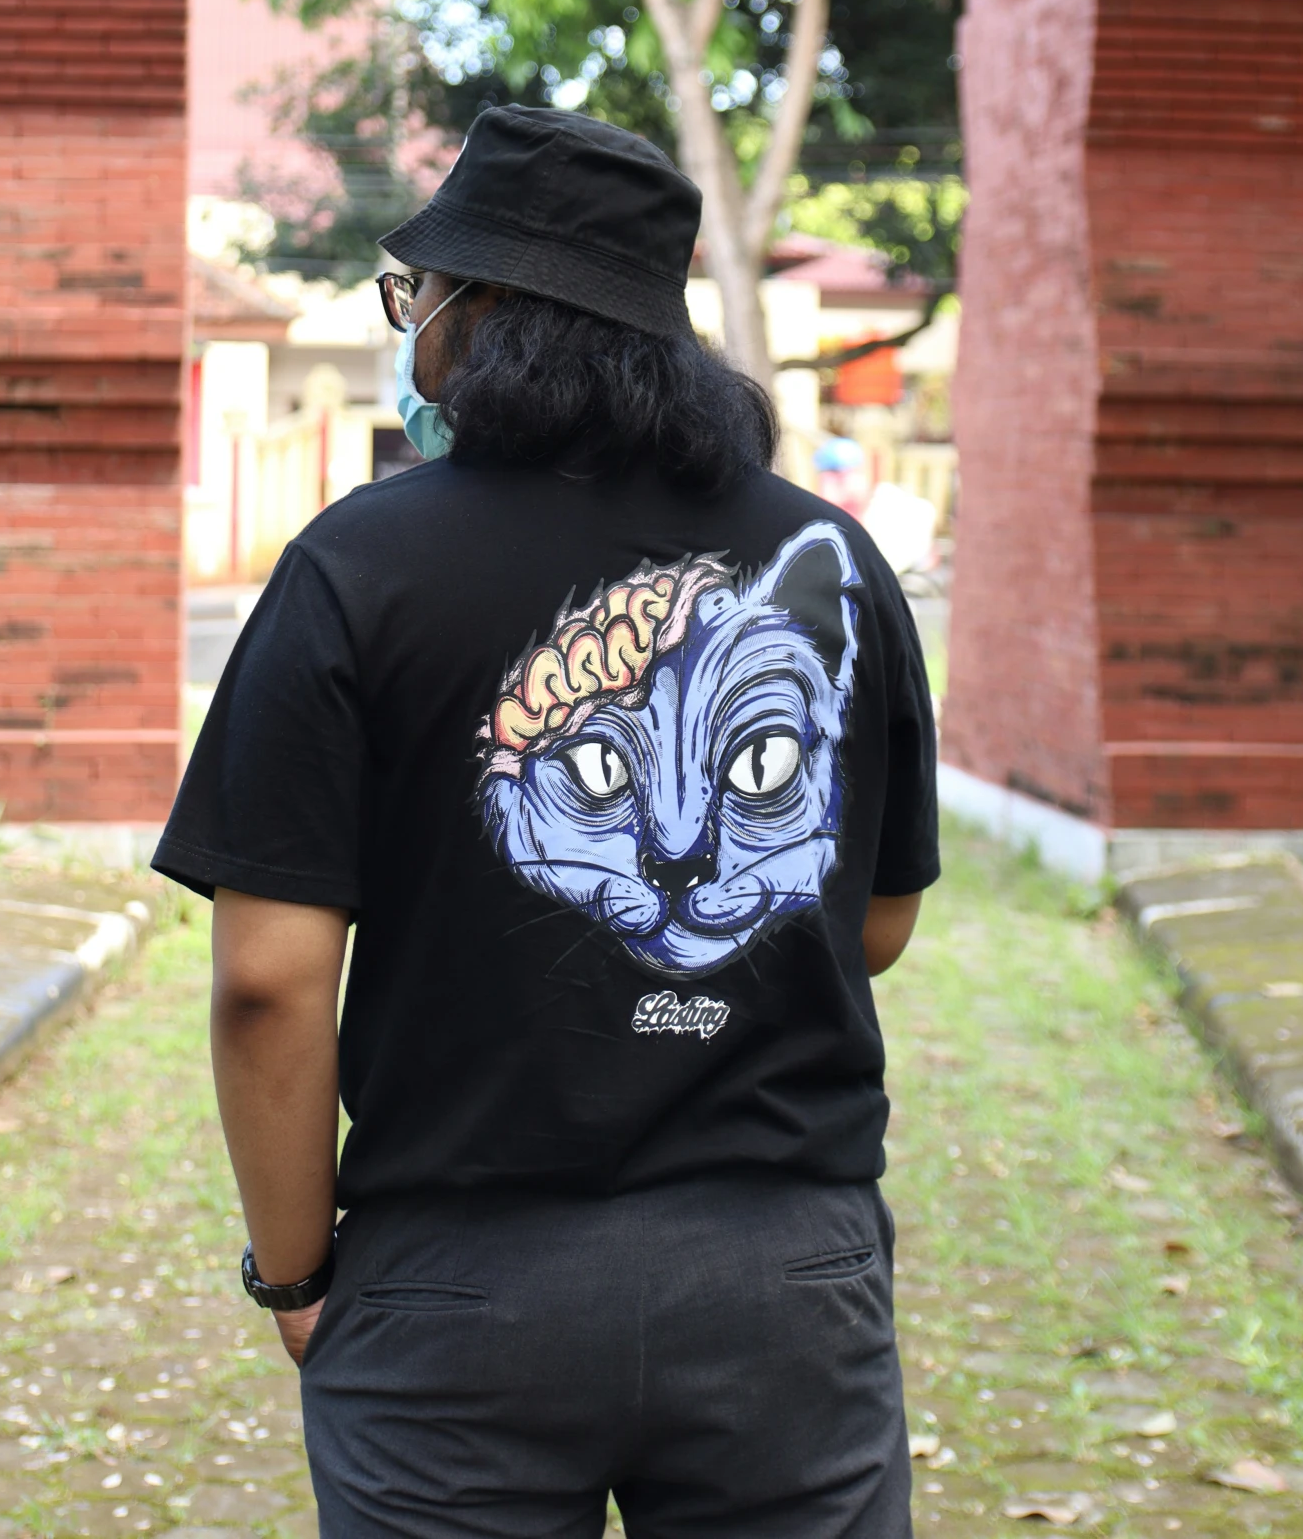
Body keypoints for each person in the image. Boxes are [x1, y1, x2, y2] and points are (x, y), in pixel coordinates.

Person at [153, 104, 938, 1539]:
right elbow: (873, 916)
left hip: (458, 1281)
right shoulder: (830, 559)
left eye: (416, 295)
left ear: (489, 310)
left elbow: (269, 979)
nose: (410, 331)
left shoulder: (354, 566)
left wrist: (294, 1266)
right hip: (783, 1279)